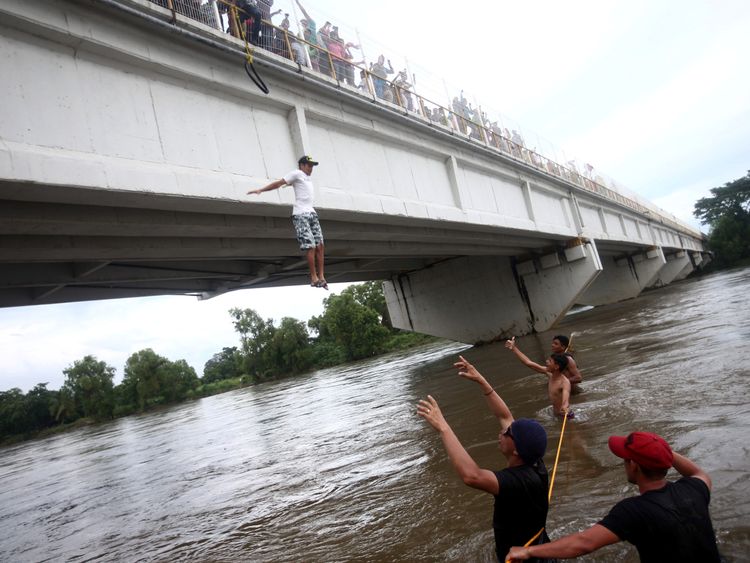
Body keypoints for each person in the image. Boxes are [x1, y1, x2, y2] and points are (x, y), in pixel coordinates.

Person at [417, 355, 557, 562]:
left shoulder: (516, 482)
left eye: (507, 434)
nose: (501, 432)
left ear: (517, 450)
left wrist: (443, 427)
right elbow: (505, 416)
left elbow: (471, 476)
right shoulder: (535, 461)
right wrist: (481, 381)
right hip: (541, 549)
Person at [506, 431, 722, 562]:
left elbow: (583, 543)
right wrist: (658, 448)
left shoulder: (633, 510)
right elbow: (699, 472)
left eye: (625, 458)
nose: (622, 462)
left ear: (634, 465)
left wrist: (528, 551)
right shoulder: (694, 489)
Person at [247, 156, 327, 289]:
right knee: (311, 246)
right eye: (308, 165)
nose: (311, 168)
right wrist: (261, 190)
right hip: (301, 214)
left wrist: (290, 184)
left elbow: (295, 185)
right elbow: (278, 183)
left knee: (320, 246)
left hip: (312, 213)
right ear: (301, 165)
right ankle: (314, 277)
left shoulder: (306, 178)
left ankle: (322, 277)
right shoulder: (296, 173)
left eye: (312, 166)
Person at [505, 335, 583, 388]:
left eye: (555, 344)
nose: (552, 345)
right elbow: (529, 363)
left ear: (563, 347)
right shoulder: (552, 365)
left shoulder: (568, 359)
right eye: (552, 343)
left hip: (574, 393)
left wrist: (559, 383)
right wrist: (514, 348)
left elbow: (578, 378)